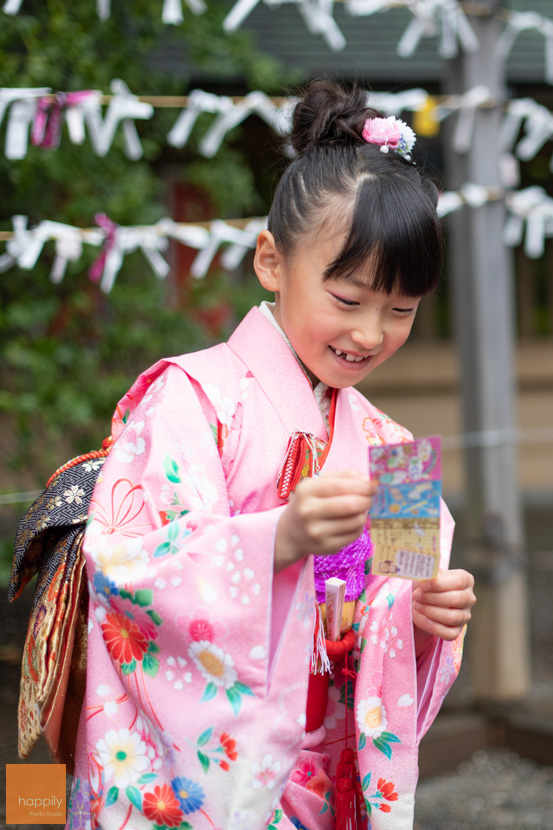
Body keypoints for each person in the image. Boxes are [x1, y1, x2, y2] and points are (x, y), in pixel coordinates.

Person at [67, 79, 476, 830]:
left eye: (402, 311)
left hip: (325, 783)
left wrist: (419, 616)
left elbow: (394, 619)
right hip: (204, 778)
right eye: (348, 300)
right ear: (269, 261)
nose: (370, 333)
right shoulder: (186, 398)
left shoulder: (395, 454)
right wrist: (279, 541)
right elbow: (127, 567)